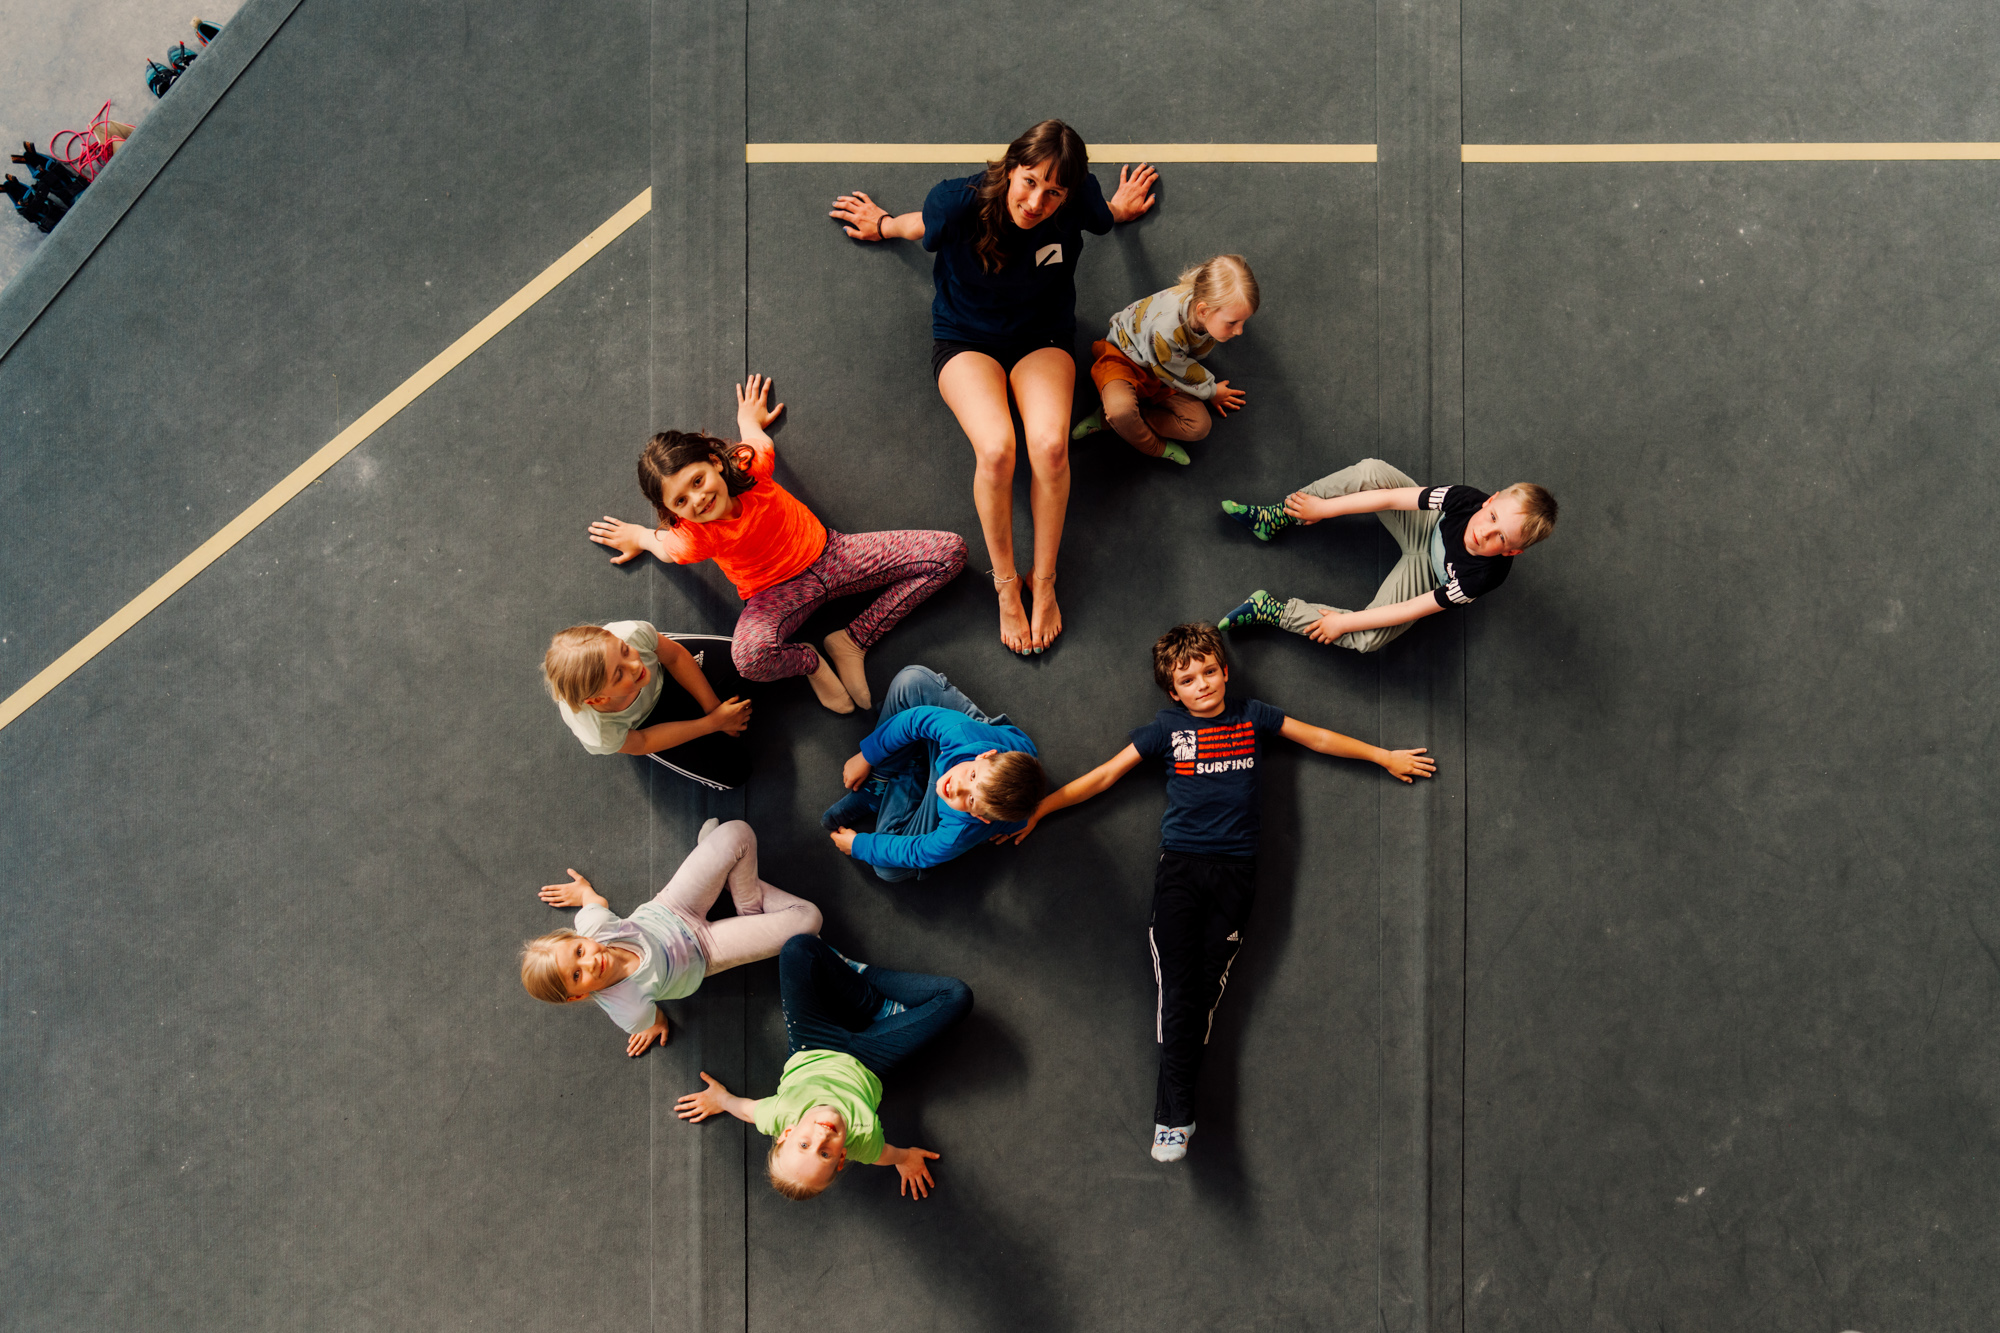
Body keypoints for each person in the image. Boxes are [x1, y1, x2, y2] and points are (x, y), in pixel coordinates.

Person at [1000, 623, 1435, 1162]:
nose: (1202, 684)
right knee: (1179, 995)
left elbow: (1318, 736)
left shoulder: (1253, 716)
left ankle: (1175, 1111)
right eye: (1189, 678)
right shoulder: (1166, 729)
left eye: (1209, 671)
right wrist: (1039, 808)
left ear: (1225, 671)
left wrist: (1382, 755)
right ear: (1173, 692)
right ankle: (1172, 1118)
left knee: (1202, 995)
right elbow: (1105, 776)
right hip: (1181, 872)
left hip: (1237, 873)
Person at [829, 120, 1160, 654]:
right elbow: (919, 227)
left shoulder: (1077, 202)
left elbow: (1105, 217)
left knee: (1051, 447)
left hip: (1042, 336)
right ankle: (1007, 586)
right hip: (965, 339)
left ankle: (1044, 580)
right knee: (998, 449)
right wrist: (883, 223)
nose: (1036, 202)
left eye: (1054, 192)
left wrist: (1120, 209)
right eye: (1029, 181)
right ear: (1011, 169)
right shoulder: (958, 202)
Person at [586, 373, 966, 713]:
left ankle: (852, 641)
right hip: (774, 594)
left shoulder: (751, 465)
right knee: (748, 659)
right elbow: (665, 547)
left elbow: (756, 439)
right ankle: (813, 661)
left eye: (697, 481)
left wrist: (747, 420)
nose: (697, 500)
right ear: (673, 511)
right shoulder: (692, 537)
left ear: (716, 463)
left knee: (950, 553)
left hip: (832, 554)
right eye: (680, 501)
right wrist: (638, 535)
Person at [674, 934, 970, 1201]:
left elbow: (746, 1109)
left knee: (798, 949)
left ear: (787, 1133)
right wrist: (905, 1159)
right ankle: (874, 1003)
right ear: (841, 1158)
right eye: (825, 1154)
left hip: (812, 1045)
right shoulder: (862, 1140)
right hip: (870, 1062)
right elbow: (885, 1154)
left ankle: (871, 1000)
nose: (821, 1138)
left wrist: (721, 1100)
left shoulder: (778, 1113)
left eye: (804, 1145)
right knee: (956, 996)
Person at [520, 820, 821, 1056]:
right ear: (579, 995)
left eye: (578, 951)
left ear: (577, 937)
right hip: (706, 952)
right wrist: (655, 1027)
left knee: (737, 832)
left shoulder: (594, 925)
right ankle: (741, 896)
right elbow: (655, 1020)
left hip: (674, 906)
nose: (589, 962)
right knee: (809, 920)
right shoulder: (628, 1009)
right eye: (576, 975)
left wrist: (583, 889)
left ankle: (746, 906)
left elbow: (592, 901)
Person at [1217, 457, 1558, 653]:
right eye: (1493, 517)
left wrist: (1342, 622)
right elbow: (1391, 499)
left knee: (1368, 638)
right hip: (1425, 527)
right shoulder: (1464, 498)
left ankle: (1273, 611)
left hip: (1429, 573)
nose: (1484, 532)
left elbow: (1412, 609)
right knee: (1372, 471)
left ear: (1513, 550)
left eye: (1501, 537)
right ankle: (1278, 516)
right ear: (1490, 500)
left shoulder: (1482, 577)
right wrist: (1324, 508)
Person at [822, 665, 1044, 882]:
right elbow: (915, 719)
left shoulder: (963, 829)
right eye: (972, 777)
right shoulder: (963, 734)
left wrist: (860, 845)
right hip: (960, 745)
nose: (956, 787)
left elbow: (920, 851)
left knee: (887, 869)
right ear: (984, 756)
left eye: (971, 798)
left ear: (979, 817)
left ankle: (897, 774)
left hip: (946, 784)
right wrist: (867, 756)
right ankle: (881, 781)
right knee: (911, 680)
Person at [1071, 254, 1259, 464]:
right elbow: (1179, 370)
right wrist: (1212, 391)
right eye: (1232, 323)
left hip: (1162, 364)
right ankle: (1145, 441)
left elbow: (1172, 365)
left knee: (1198, 427)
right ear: (1203, 310)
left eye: (1242, 322)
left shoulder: (1205, 298)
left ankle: (1125, 421)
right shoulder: (1167, 330)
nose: (1240, 331)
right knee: (1120, 412)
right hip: (1124, 357)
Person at [542, 621, 753, 791]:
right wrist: (713, 723)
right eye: (619, 674)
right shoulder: (598, 732)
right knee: (735, 773)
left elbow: (676, 657)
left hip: (666, 669)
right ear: (598, 700)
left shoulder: (631, 633)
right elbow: (643, 742)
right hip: (647, 724)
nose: (635, 665)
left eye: (625, 650)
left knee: (750, 659)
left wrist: (713, 708)